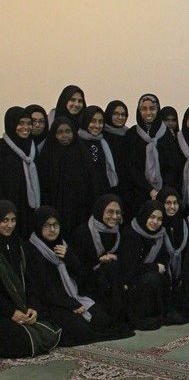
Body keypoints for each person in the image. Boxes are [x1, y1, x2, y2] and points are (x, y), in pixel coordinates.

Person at [27, 206, 132, 346]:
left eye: (55, 225)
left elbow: (82, 274)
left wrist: (69, 257)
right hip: (52, 304)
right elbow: (43, 288)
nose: (52, 229)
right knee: (81, 331)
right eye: (47, 225)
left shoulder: (63, 244)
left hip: (75, 296)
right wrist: (71, 304)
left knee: (103, 321)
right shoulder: (32, 250)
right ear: (39, 225)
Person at [0, 200, 61, 358]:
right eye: (4, 220)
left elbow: (29, 282)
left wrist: (32, 308)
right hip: (4, 310)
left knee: (48, 331)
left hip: (21, 308)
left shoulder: (19, 246)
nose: (10, 225)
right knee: (23, 340)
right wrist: (11, 312)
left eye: (13, 220)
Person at [70, 194, 127, 324]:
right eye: (110, 212)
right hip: (87, 283)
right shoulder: (83, 232)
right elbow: (76, 267)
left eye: (118, 212)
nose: (114, 217)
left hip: (112, 282)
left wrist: (114, 258)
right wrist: (99, 261)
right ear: (100, 210)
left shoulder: (118, 232)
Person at [124, 94, 182, 220]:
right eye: (144, 109)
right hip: (138, 193)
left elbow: (173, 165)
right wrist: (149, 189)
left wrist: (162, 190)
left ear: (158, 110)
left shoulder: (166, 134)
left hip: (164, 194)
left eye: (152, 108)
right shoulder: (132, 134)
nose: (148, 112)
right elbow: (130, 167)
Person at [119, 200, 172, 330]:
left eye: (159, 219)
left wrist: (157, 268)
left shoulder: (160, 234)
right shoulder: (131, 233)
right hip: (130, 282)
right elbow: (129, 268)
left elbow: (164, 260)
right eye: (152, 217)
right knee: (151, 278)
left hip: (149, 278)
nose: (155, 222)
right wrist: (154, 267)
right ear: (144, 215)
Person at [38, 117, 89, 235]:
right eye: (60, 132)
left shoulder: (81, 153)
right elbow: (44, 187)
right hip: (54, 207)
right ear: (54, 135)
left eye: (68, 131)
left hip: (79, 208)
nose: (65, 135)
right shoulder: (47, 156)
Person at [0, 107, 41, 237]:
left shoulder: (32, 148)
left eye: (29, 123)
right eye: (21, 123)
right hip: (8, 208)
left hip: (30, 209)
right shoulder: (2, 148)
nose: (26, 127)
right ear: (11, 124)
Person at [78, 106, 119, 206]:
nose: (97, 125)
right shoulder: (77, 143)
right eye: (93, 121)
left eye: (100, 122)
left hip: (102, 197)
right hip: (81, 197)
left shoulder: (104, 143)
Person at [103, 100, 130, 200]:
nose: (120, 117)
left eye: (123, 114)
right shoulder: (101, 134)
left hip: (126, 186)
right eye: (116, 114)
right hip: (107, 184)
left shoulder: (129, 134)